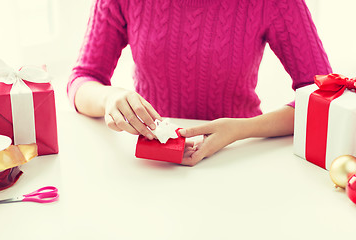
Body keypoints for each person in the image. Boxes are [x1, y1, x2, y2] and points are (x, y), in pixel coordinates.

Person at [67, 0, 331, 166]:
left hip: (240, 158)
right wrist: (109, 97)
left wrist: (240, 129)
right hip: (154, 166)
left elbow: (325, 97)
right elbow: (82, 79)